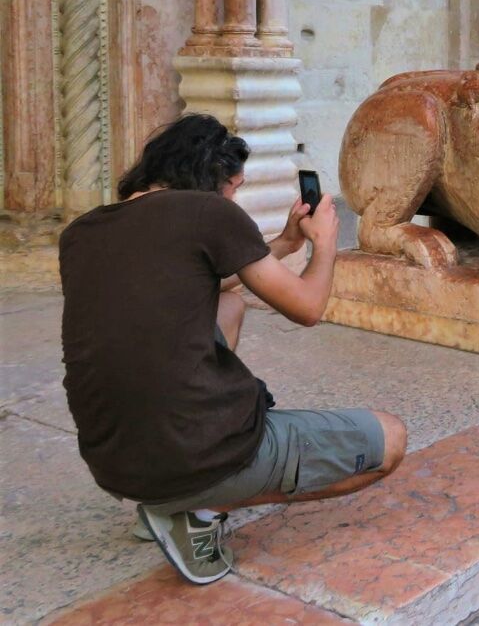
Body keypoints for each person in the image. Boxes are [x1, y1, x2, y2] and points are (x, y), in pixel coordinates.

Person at [59, 115, 407, 585]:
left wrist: (283, 245)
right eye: (234, 188)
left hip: (114, 460)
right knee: (390, 441)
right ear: (210, 179)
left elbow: (194, 279)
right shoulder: (209, 212)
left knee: (228, 304)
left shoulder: (82, 231)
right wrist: (325, 243)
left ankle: (168, 496)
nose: (234, 199)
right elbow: (307, 308)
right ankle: (198, 507)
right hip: (191, 454)